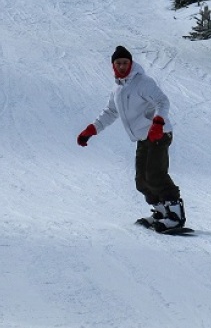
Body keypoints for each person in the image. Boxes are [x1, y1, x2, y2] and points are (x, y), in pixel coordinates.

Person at [77, 46, 186, 230]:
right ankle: (161, 212)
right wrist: (92, 129)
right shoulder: (117, 89)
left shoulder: (143, 82)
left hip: (159, 133)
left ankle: (175, 214)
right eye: (118, 63)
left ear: (131, 63)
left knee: (155, 175)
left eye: (125, 63)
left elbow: (162, 101)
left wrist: (158, 123)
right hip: (143, 137)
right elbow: (110, 112)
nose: (121, 66)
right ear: (113, 65)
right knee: (141, 181)